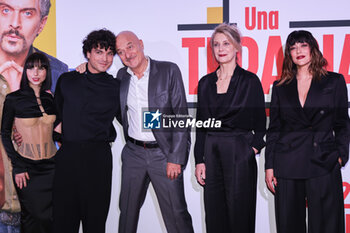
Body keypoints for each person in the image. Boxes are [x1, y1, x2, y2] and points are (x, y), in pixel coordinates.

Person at [265, 30, 349, 233]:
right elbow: (275, 129)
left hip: (323, 161)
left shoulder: (334, 81)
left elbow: (342, 124)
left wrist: (339, 156)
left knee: (327, 225)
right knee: (289, 225)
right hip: (287, 163)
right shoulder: (279, 87)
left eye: (303, 45)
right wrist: (270, 166)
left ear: (313, 49)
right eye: (293, 48)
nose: (298, 51)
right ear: (289, 55)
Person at [116, 31, 194, 233]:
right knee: (127, 214)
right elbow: (120, 112)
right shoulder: (122, 77)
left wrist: (175, 157)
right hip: (133, 154)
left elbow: (180, 116)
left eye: (130, 46)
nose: (127, 54)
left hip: (164, 154)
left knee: (177, 215)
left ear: (141, 44)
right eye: (120, 52)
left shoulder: (168, 70)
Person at [0, 0, 68, 231]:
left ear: (41, 24)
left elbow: (63, 133)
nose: (14, 23)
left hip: (40, 200)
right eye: (5, 10)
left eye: (27, 13)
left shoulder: (59, 73)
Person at [194, 23, 266, 233]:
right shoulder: (205, 83)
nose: (221, 48)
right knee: (215, 215)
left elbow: (261, 126)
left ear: (237, 47)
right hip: (211, 152)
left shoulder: (250, 81)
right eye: (216, 44)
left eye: (226, 43)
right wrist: (199, 159)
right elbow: (201, 125)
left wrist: (249, 150)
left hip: (239, 153)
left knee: (240, 215)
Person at [52, 29, 119, 233]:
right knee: (63, 221)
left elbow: (129, 117)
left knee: (95, 223)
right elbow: (56, 116)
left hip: (98, 159)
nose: (105, 58)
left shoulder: (116, 85)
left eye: (109, 53)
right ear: (88, 53)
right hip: (68, 158)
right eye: (99, 52)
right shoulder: (68, 80)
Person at [1, 52, 57, 233]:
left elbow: (56, 133)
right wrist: (18, 166)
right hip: (27, 169)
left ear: (47, 72)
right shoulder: (14, 99)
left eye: (41, 68)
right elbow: (4, 133)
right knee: (33, 218)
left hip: (53, 168)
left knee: (51, 218)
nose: (36, 72)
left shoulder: (51, 99)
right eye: (31, 67)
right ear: (25, 70)